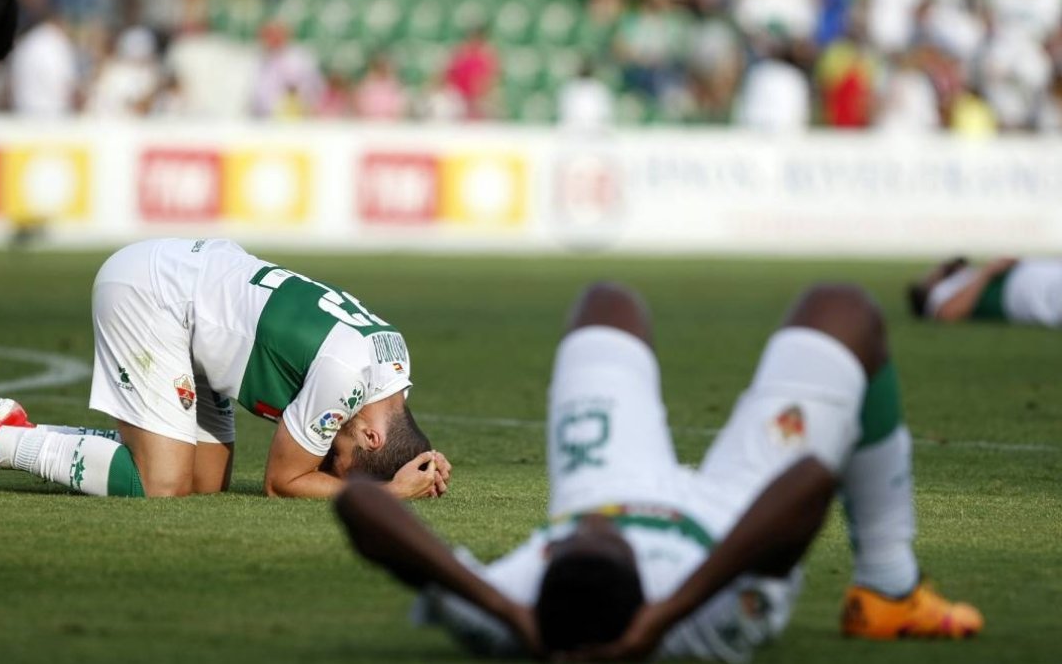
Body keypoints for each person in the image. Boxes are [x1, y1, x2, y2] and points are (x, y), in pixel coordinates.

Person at [335, 281, 982, 660]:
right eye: (608, 538)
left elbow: (361, 506)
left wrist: (506, 608)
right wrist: (673, 609)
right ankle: (890, 588)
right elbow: (808, 479)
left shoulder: (512, 611)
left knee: (607, 304)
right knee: (843, 311)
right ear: (645, 586)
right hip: (730, 520)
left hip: (608, 481)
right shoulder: (705, 619)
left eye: (565, 539)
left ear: (547, 564)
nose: (591, 527)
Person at [0, 238, 451, 500]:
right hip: (153, 295)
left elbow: (346, 455)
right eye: (344, 458)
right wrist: (387, 494)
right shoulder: (345, 379)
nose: (331, 455)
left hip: (198, 313)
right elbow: (284, 483)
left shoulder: (393, 357)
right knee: (162, 484)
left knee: (204, 487)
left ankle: (19, 430)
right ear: (374, 435)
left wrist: (415, 460)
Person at [908, 257, 1062, 327]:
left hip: (1035, 279)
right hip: (1030, 291)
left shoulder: (963, 278)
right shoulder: (939, 293)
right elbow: (947, 313)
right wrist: (987, 272)